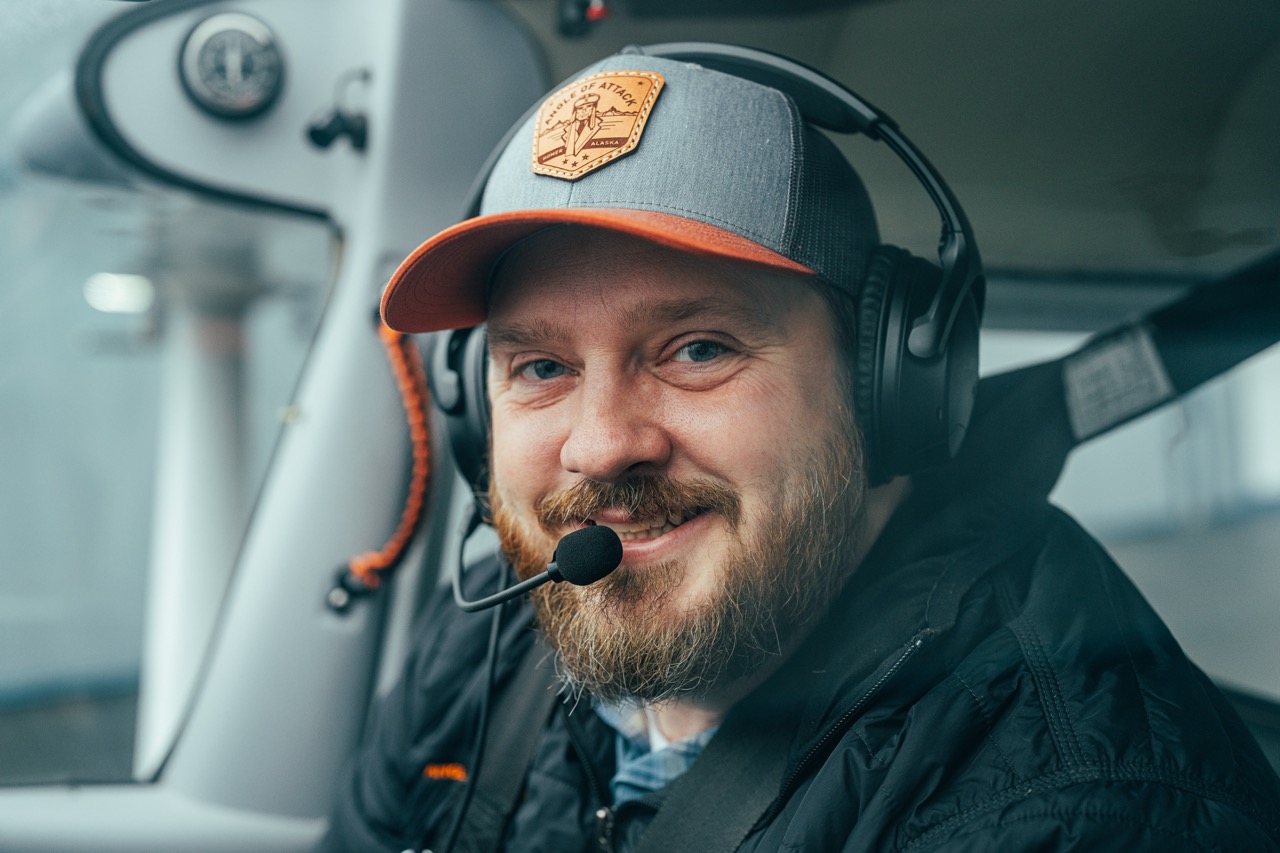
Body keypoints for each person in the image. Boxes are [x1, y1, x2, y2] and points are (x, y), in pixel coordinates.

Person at [320, 47, 1280, 852]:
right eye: (538, 366)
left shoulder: (1073, 805)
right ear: (471, 405)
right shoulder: (486, 640)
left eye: (698, 348)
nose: (604, 445)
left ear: (886, 386)